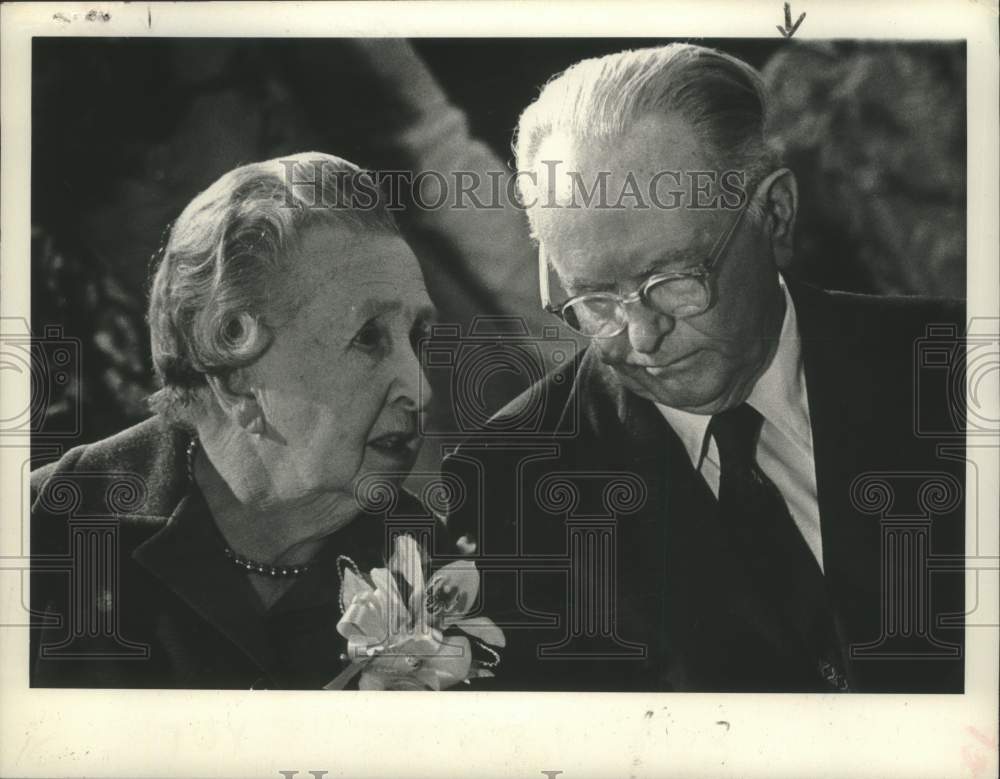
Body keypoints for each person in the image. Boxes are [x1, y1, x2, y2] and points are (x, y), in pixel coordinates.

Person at [443, 44, 966, 692]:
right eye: (594, 300)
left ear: (774, 214)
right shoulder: (503, 493)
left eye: (673, 279)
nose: (641, 335)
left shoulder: (955, 363)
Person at [30, 153, 441, 689]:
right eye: (368, 338)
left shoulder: (438, 580)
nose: (418, 388)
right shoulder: (45, 528)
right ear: (235, 368)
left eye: (417, 340)